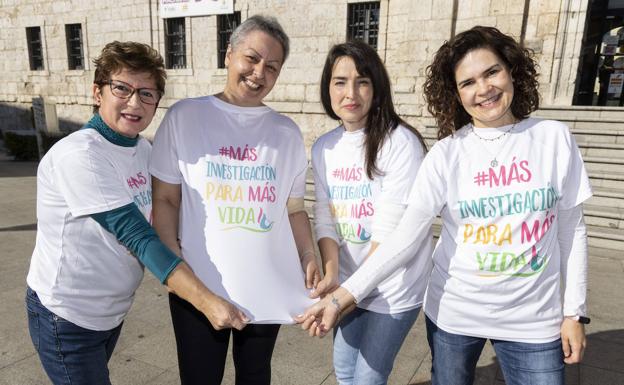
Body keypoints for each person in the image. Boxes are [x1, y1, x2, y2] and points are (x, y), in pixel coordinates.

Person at [298, 26, 591, 385]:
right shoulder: (446, 153)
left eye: (492, 72)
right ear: (455, 93)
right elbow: (407, 233)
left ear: (512, 70)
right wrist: (341, 296)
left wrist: (573, 313)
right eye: (468, 82)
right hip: (455, 315)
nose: (483, 89)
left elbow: (571, 229)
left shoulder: (553, 138)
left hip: (533, 322)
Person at [26, 41, 223, 385]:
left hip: (110, 313)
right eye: (122, 88)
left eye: (146, 93)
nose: (134, 103)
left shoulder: (144, 150)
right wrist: (207, 301)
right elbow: (136, 235)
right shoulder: (80, 154)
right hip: (66, 315)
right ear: (98, 92)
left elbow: (171, 213)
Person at [149, 15, 318, 385]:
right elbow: (164, 200)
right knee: (199, 377)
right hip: (199, 285)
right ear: (229, 54)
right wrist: (171, 265)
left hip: (266, 285)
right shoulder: (185, 117)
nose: (259, 73)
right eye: (252, 58)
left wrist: (307, 254)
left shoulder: (286, 133)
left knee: (255, 376)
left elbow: (293, 208)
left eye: (272, 67)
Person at [307, 40, 431, 385]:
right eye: (340, 81)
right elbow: (325, 214)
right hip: (348, 282)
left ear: (377, 88)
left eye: (362, 81)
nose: (351, 92)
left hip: (393, 286)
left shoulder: (400, 142)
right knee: (344, 369)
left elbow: (390, 235)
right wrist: (332, 275)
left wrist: (344, 295)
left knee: (367, 378)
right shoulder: (323, 147)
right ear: (327, 88)